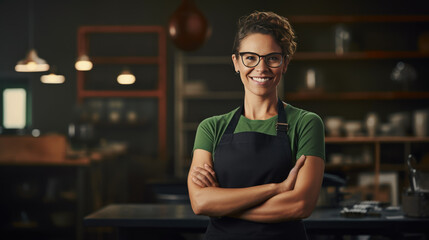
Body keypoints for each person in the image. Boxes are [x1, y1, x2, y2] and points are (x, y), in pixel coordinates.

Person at [187, 11, 325, 240]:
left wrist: (223, 204)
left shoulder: (306, 123)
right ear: (236, 62)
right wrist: (277, 189)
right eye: (250, 57)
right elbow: (200, 202)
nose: (261, 68)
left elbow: (300, 205)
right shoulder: (210, 128)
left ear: (285, 63)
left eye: (272, 58)